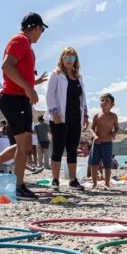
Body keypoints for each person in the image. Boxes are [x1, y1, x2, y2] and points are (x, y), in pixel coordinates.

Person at [0, 13, 49, 199]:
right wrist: (28, 88)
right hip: (14, 98)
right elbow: (7, 66)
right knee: (24, 145)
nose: (41, 34)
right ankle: (18, 185)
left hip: (18, 98)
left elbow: (17, 71)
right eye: (41, 30)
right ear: (36, 27)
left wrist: (33, 82)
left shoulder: (24, 44)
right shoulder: (20, 40)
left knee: (22, 145)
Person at [45, 46, 89, 190]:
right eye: (67, 57)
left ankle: (73, 180)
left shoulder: (78, 77)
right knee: (57, 149)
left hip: (75, 118)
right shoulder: (56, 75)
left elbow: (82, 98)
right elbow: (49, 95)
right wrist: (54, 113)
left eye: (72, 57)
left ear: (75, 60)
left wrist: (85, 115)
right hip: (60, 118)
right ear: (62, 59)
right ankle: (55, 179)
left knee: (72, 149)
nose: (69, 60)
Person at [89, 93, 119, 189]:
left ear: (112, 104)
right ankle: (94, 183)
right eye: (102, 100)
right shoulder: (97, 116)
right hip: (97, 143)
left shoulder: (113, 116)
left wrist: (114, 133)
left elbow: (117, 128)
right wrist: (94, 136)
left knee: (107, 164)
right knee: (94, 163)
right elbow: (91, 128)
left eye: (107, 101)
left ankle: (107, 183)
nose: (104, 102)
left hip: (108, 143)